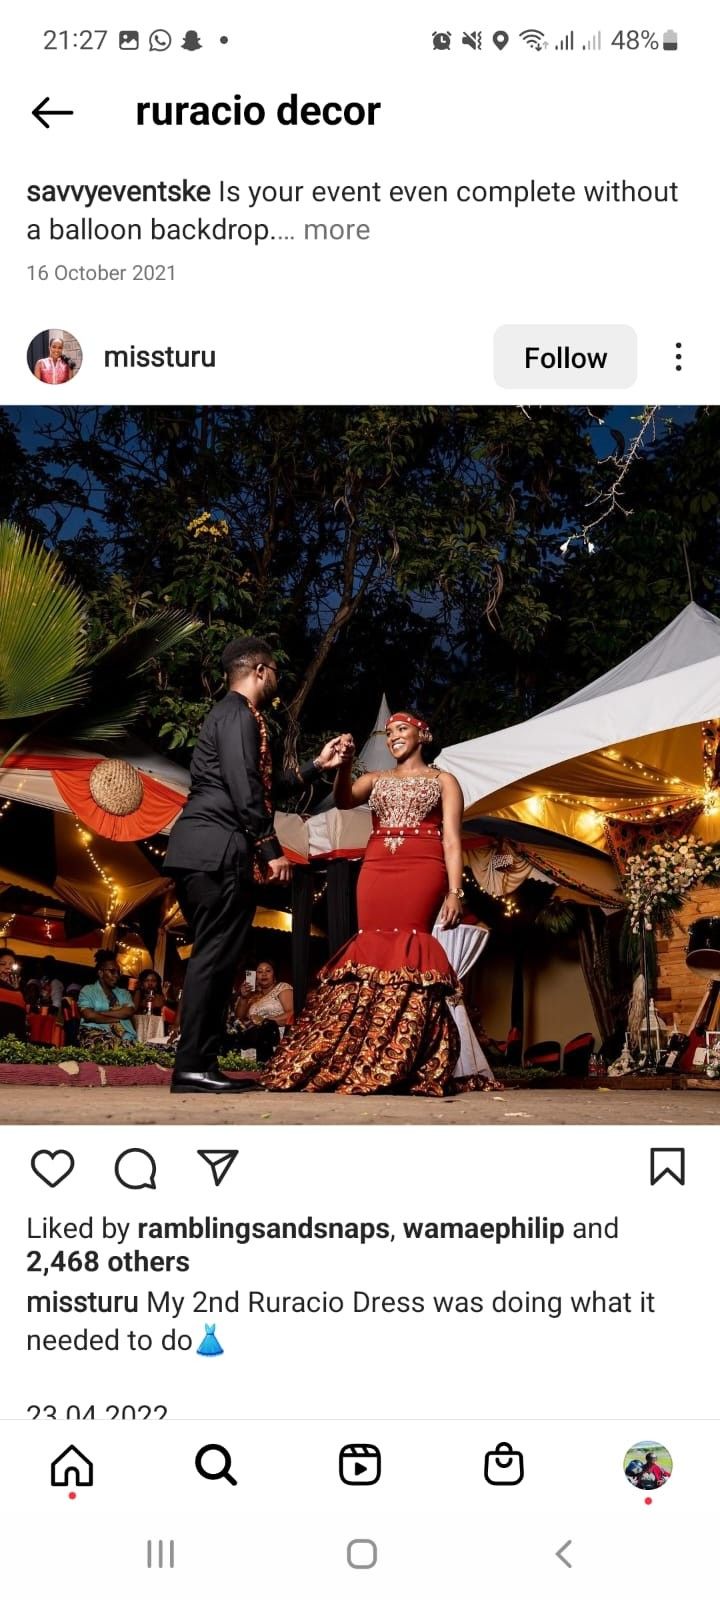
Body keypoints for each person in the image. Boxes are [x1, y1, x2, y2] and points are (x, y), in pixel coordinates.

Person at [163, 636, 353, 1093]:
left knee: (218, 958)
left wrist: (315, 766)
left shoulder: (237, 718)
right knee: (213, 958)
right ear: (261, 670)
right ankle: (192, 1067)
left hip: (205, 849)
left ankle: (198, 1065)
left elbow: (264, 785)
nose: (278, 680)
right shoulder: (237, 716)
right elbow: (246, 790)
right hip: (217, 850)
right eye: (276, 672)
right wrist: (271, 849)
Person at [263, 711, 463, 1094]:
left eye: (401, 730)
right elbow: (341, 799)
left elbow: (452, 839)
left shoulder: (444, 781)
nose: (393, 738)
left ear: (423, 734)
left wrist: (455, 891)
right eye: (389, 734)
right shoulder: (375, 779)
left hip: (423, 864)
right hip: (377, 867)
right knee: (370, 943)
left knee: (409, 944)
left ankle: (403, 1054)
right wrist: (347, 764)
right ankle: (361, 1051)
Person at [232, 960, 294, 1062]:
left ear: (274, 974)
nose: (263, 974)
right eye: (260, 972)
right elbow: (239, 1018)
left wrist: (265, 1020)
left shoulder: (282, 988)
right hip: (254, 1043)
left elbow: (292, 1013)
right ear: (255, 976)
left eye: (268, 971)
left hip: (278, 1042)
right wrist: (244, 997)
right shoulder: (252, 995)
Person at [78, 951, 137, 1047]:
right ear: (100, 973)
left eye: (118, 972)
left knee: (136, 1050)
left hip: (124, 1035)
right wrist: (118, 1018)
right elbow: (89, 1015)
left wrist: (98, 1013)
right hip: (94, 1031)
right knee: (105, 1044)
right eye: (112, 971)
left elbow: (128, 1011)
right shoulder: (88, 990)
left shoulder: (124, 993)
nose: (117, 975)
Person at [0, 950, 26, 1040]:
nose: (7, 967)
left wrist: (15, 990)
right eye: (2, 964)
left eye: (11, 964)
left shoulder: (18, 994)